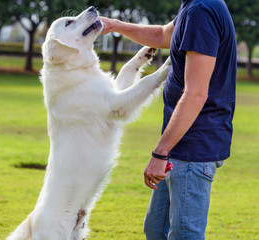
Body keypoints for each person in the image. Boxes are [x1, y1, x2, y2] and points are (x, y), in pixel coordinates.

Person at [99, 0, 237, 239]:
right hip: (180, 145)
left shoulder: (201, 11)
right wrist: (115, 25)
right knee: (156, 230)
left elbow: (195, 94)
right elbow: (164, 34)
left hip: (193, 147)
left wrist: (160, 153)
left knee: (185, 235)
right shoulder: (193, 6)